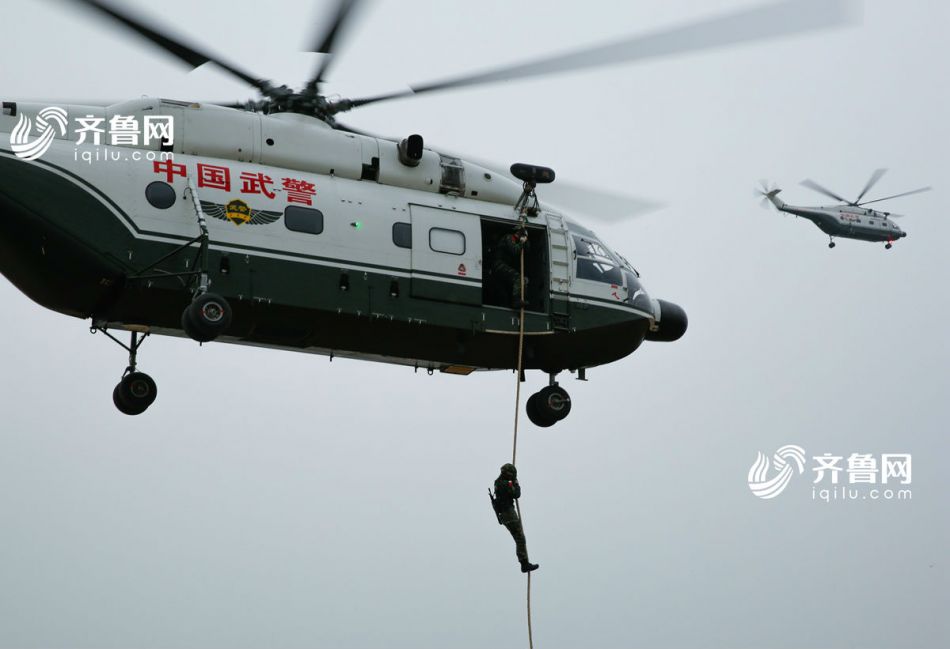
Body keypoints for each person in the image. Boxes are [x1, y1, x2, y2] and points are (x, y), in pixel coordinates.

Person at [491, 463, 539, 573]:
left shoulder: (498, 482)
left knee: (518, 536)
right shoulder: (505, 484)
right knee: (520, 537)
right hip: (508, 513)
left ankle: (524, 562)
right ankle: (524, 563)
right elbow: (516, 494)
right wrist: (516, 484)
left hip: (503, 514)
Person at [491, 226, 529, 309]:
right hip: (499, 265)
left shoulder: (515, 241)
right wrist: (522, 243)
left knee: (504, 291)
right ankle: (516, 301)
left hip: (501, 267)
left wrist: (524, 243)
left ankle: (507, 304)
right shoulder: (509, 237)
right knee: (518, 278)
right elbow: (514, 250)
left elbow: (527, 249)